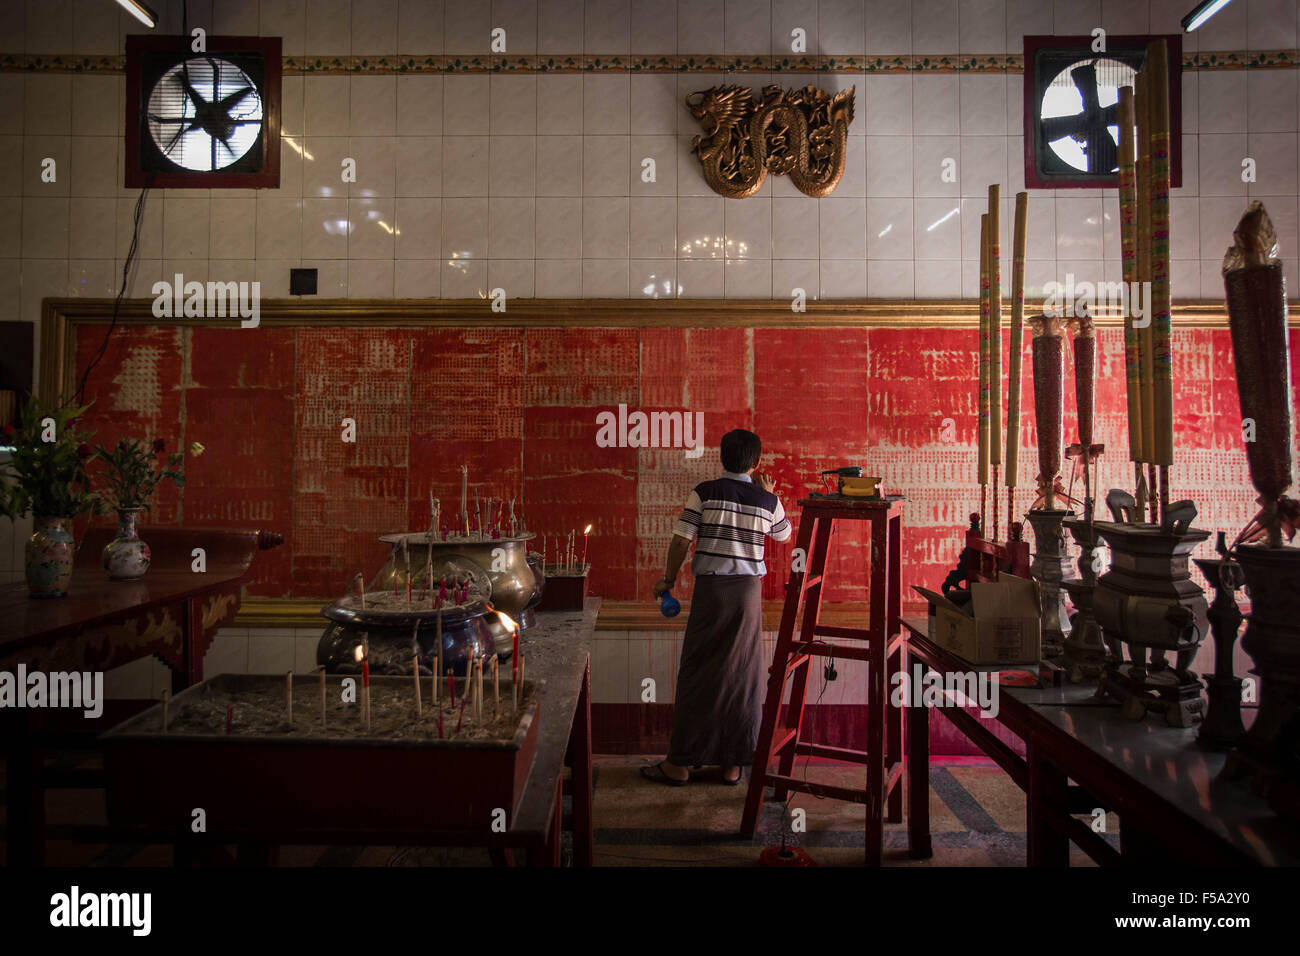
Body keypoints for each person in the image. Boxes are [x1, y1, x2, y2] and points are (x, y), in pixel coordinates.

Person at [642, 428, 791, 786]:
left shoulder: (705, 493)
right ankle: (733, 764)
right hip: (746, 596)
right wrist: (766, 493)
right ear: (756, 463)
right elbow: (784, 535)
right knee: (743, 676)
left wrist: (668, 578)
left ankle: (679, 763)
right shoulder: (766, 501)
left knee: (697, 672)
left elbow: (681, 539)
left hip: (710, 593)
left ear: (720, 457)